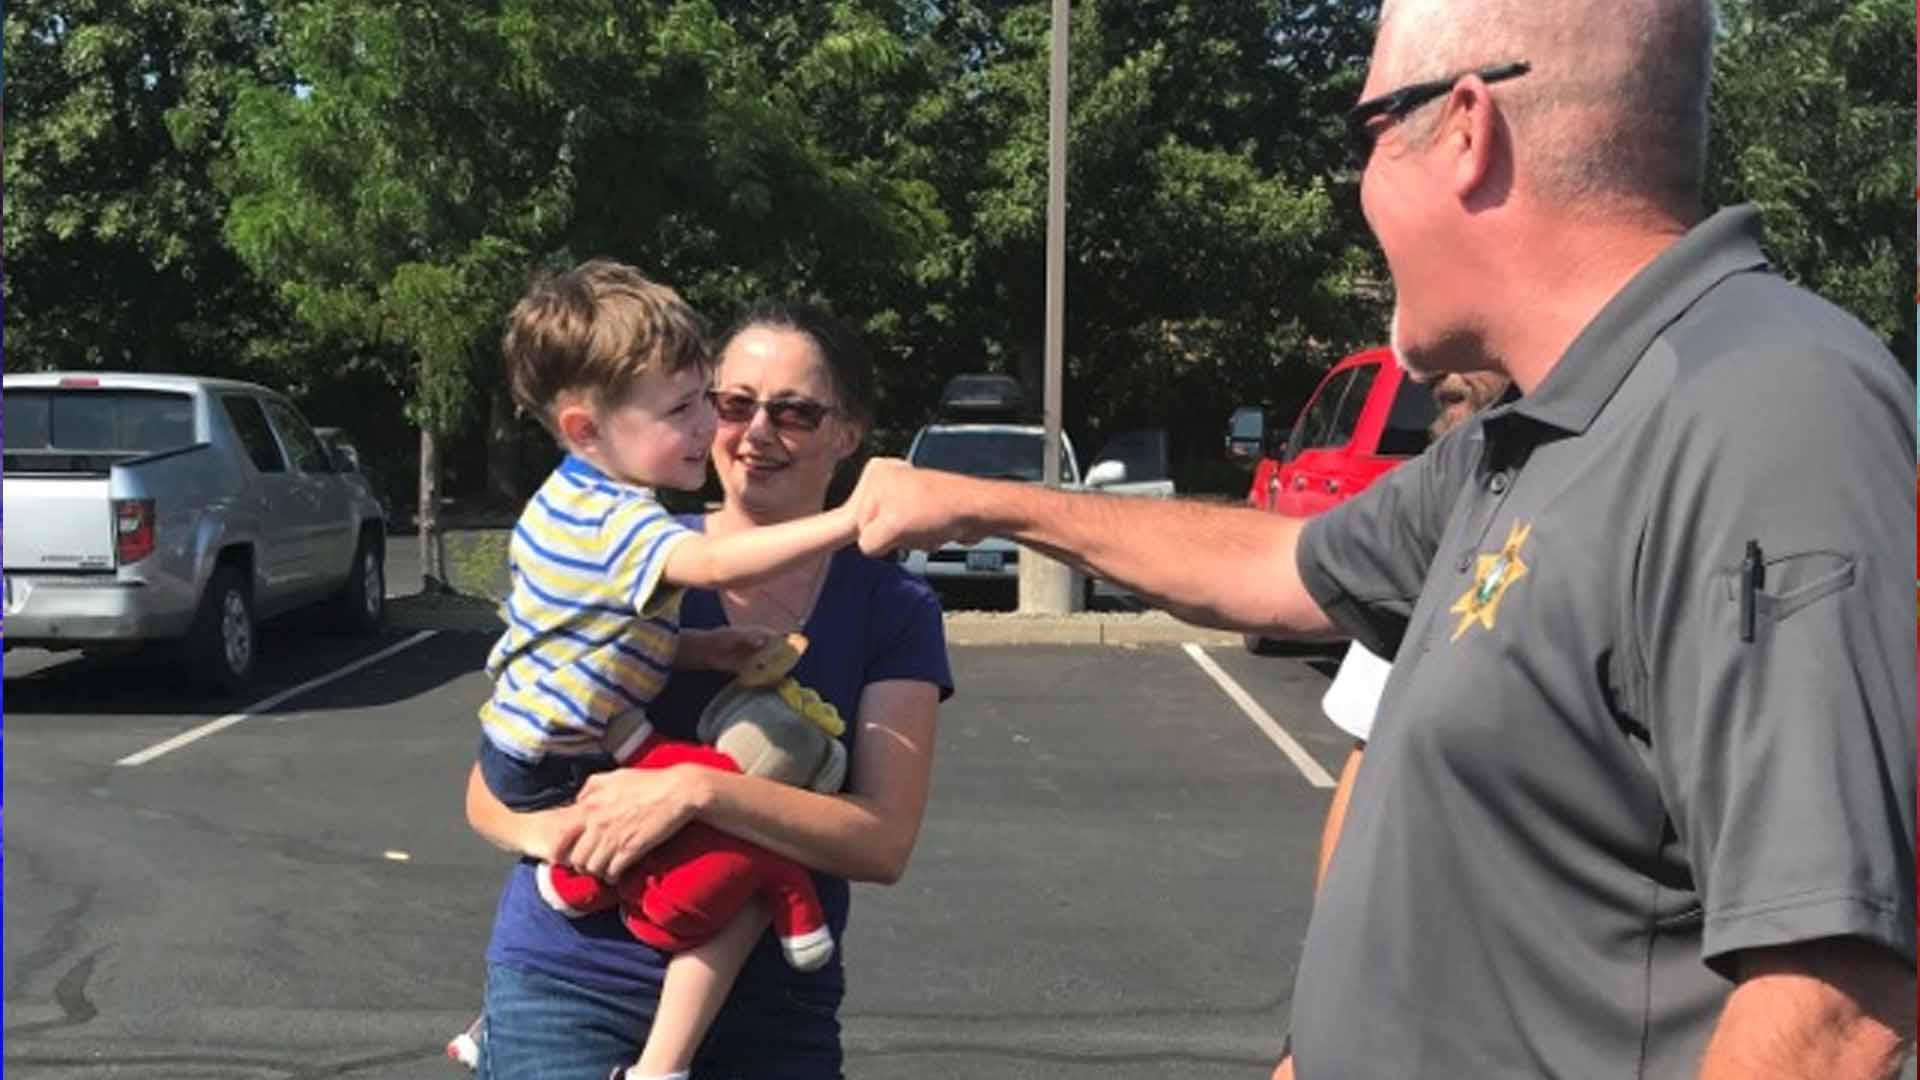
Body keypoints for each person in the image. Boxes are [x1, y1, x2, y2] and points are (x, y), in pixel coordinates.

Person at [848, 0, 1917, 1074]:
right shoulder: (1537, 431)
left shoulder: (1767, 405)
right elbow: (1279, 567)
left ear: (1466, 129)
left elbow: (1835, 1007)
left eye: (1366, 133)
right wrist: (987, 503)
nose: (1355, 187)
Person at [467, 296, 952, 1080]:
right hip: (569, 986)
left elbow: (882, 842)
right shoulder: (637, 548)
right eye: (732, 404)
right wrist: (571, 847)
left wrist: (699, 793)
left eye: (794, 412)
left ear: (847, 434)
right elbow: (491, 788)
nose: (755, 431)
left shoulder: (891, 607)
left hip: (771, 1015)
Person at [1276, 370, 1509, 1080]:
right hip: (1415, 1018)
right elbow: (1364, 780)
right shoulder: (1442, 539)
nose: (1425, 371)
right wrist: (1317, 1020)